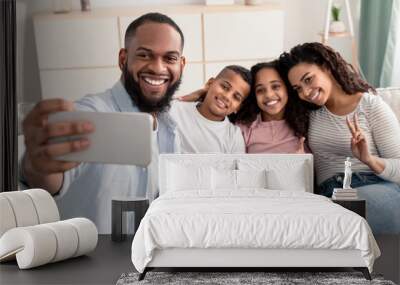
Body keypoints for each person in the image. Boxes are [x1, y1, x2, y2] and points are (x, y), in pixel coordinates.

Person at [19, 13, 186, 234]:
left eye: (170, 58)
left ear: (181, 64)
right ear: (123, 59)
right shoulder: (90, 114)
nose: (158, 68)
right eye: (145, 55)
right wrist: (35, 165)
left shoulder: (170, 126)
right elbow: (48, 178)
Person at [279, 42, 400, 234]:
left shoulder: (370, 105)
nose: (305, 92)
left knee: (350, 214)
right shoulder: (308, 113)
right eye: (298, 88)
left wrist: (369, 159)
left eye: (308, 79)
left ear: (327, 67)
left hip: (372, 185)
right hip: (329, 194)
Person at [170, 65, 250, 153]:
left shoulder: (233, 136)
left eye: (236, 97)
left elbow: (236, 166)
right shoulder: (175, 109)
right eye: (224, 87)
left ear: (238, 107)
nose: (227, 96)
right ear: (210, 84)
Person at [234, 61, 309, 153]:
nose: (269, 95)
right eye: (260, 90)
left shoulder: (307, 122)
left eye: (275, 86)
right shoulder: (244, 128)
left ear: (287, 88)